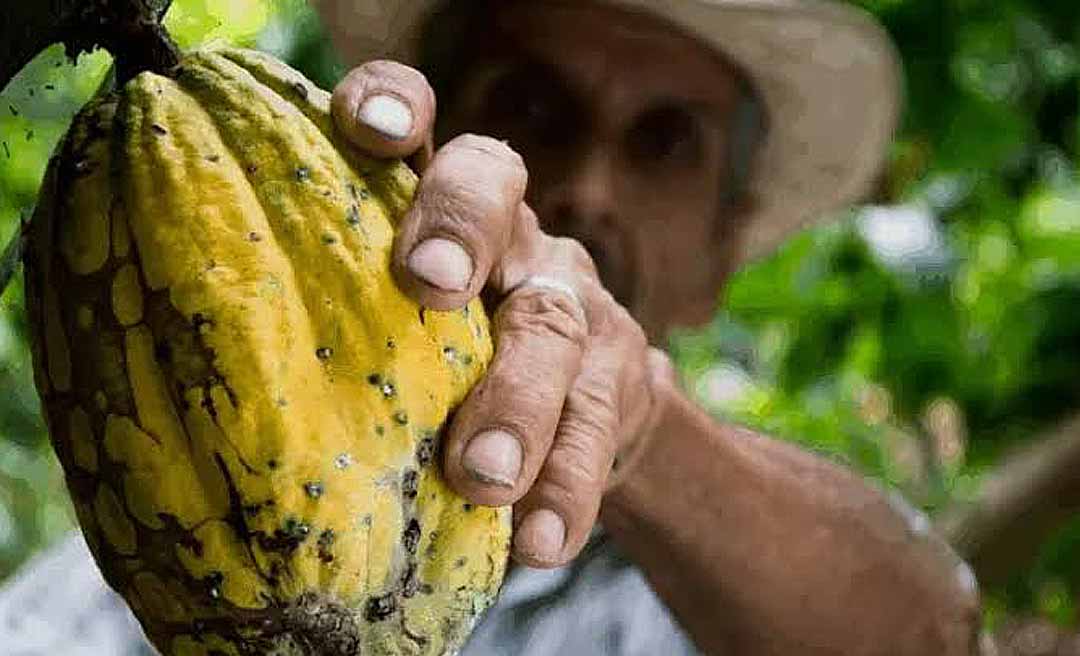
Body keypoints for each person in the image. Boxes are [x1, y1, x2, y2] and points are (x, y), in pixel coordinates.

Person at [0, 1, 982, 654]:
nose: (589, 187)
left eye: (664, 141)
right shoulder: (175, 539)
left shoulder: (725, 594)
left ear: (724, 252)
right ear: (411, 147)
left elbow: (932, 632)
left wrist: (641, 434)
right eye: (530, 104)